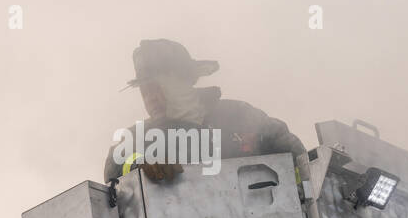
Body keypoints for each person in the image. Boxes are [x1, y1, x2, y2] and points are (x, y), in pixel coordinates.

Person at [104, 39, 307, 182]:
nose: (151, 98)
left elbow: (296, 158)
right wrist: (140, 167)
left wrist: (298, 187)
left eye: (158, 87)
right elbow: (114, 171)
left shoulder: (238, 116)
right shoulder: (139, 139)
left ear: (184, 82)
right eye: (145, 91)